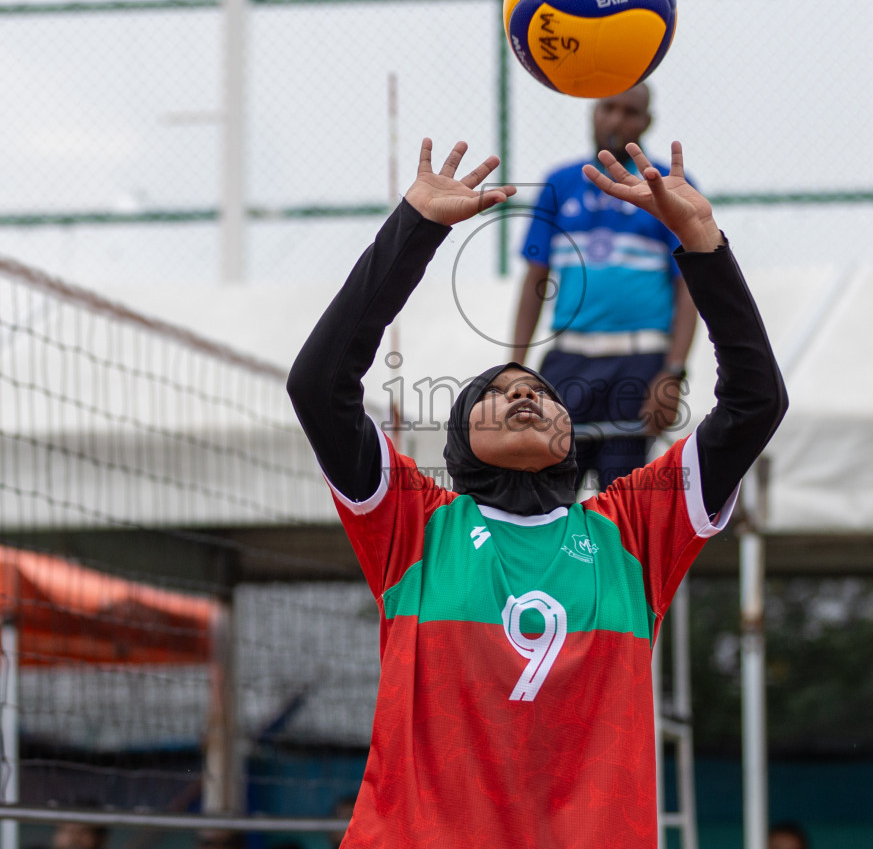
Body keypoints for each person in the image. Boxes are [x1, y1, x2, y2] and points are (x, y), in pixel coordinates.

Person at [288, 137, 787, 848]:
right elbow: (319, 387)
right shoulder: (415, 524)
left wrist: (701, 242)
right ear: (460, 438)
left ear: (568, 431)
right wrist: (415, 228)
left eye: (541, 392)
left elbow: (755, 403)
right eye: (497, 393)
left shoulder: (632, 532)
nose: (523, 392)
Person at [511, 83, 698, 488]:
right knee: (548, 489)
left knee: (621, 495)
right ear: (592, 113)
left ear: (647, 121)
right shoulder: (559, 184)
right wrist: (513, 369)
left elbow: (690, 288)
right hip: (569, 357)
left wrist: (673, 372)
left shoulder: (667, 184)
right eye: (607, 107)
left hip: (640, 358)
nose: (616, 119)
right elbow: (534, 281)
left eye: (629, 111)